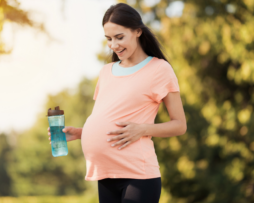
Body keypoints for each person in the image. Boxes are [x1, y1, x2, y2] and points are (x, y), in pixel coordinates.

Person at [48, 3, 187, 203]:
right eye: (109, 39)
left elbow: (180, 125)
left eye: (119, 37)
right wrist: (80, 133)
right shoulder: (106, 72)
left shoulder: (159, 69)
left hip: (138, 175)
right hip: (105, 175)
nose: (113, 45)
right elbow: (107, 117)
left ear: (138, 31)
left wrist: (142, 129)